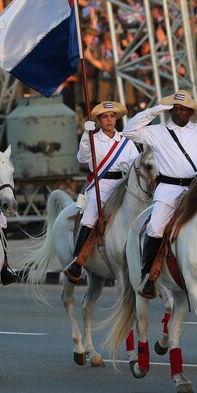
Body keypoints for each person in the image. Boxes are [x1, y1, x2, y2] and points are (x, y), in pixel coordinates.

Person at [121, 90, 197, 299]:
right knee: (155, 228)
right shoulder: (158, 131)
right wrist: (154, 110)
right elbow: (128, 131)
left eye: (183, 109)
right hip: (169, 189)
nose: (178, 112)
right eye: (175, 108)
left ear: (191, 112)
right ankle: (148, 275)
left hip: (196, 189)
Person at [64, 101, 140, 282]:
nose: (109, 120)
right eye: (105, 117)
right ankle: (78, 260)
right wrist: (85, 134)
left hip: (124, 183)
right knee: (90, 216)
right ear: (98, 120)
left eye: (112, 116)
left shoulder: (125, 141)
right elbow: (82, 158)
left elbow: (136, 164)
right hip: (102, 184)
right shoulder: (93, 139)